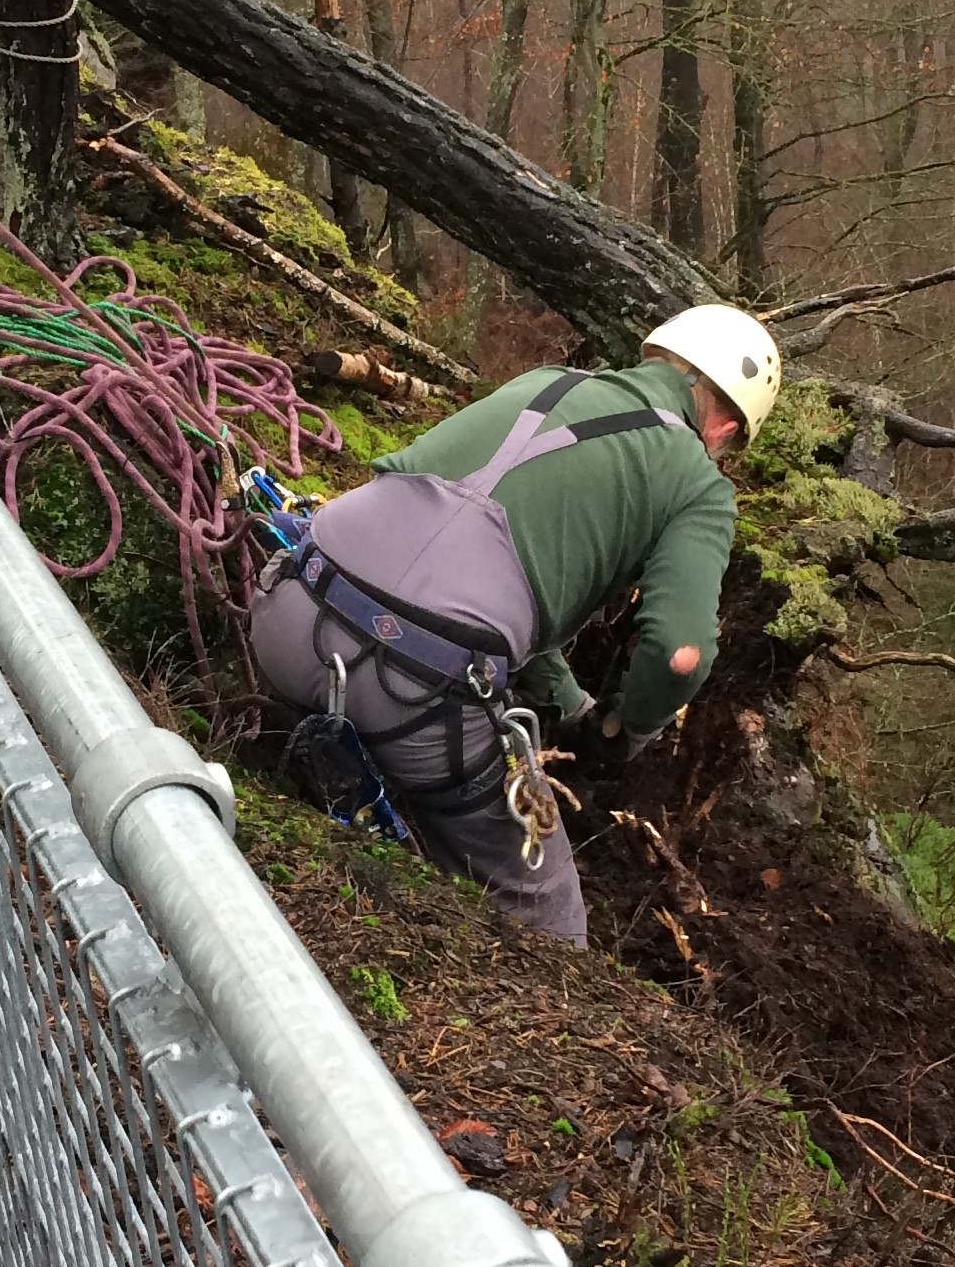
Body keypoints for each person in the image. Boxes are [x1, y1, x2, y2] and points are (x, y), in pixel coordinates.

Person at [246, 305, 782, 943]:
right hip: (409, 693)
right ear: (723, 425)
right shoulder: (697, 484)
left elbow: (453, 548)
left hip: (288, 606)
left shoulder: (544, 383)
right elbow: (679, 654)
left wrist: (568, 703)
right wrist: (621, 732)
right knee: (548, 908)